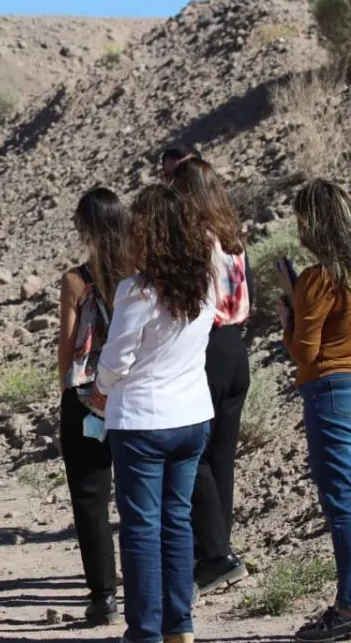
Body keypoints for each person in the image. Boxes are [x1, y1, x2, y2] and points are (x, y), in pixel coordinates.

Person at [96, 183, 216, 643]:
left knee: (142, 528)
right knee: (177, 521)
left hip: (142, 420)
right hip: (191, 413)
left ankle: (145, 631)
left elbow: (116, 359)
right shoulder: (205, 281)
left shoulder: (138, 290)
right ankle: (178, 625)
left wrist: (100, 389)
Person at [168, 157, 253, 597]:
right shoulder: (233, 238)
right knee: (221, 455)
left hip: (208, 347)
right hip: (236, 348)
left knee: (193, 450)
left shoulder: (197, 241)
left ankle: (216, 554)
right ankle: (218, 549)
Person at [279, 179, 351, 642]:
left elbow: (305, 352)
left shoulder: (318, 277)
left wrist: (288, 321)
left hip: (330, 391)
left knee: (342, 502)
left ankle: (347, 607)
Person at [55, 187, 129, 627]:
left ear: (85, 228)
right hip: (138, 398)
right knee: (142, 497)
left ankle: (103, 597)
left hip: (87, 401)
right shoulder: (143, 276)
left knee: (90, 498)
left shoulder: (76, 281)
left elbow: (67, 354)